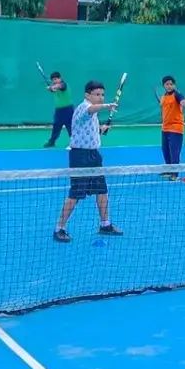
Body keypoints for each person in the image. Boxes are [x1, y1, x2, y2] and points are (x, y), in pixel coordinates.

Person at [54, 80, 124, 241]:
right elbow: (91, 109)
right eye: (97, 94)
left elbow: (87, 129)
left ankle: (105, 224)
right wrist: (106, 105)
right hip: (80, 157)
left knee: (102, 191)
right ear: (87, 95)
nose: (100, 97)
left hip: (94, 156)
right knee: (75, 194)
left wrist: (101, 129)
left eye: (102, 95)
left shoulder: (93, 113)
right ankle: (59, 228)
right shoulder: (83, 107)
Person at [157, 75, 185, 179]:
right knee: (165, 150)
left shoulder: (177, 94)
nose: (169, 86)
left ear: (174, 85)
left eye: (171, 84)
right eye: (167, 84)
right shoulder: (163, 97)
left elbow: (183, 102)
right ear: (164, 86)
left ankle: (175, 174)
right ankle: (168, 170)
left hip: (176, 128)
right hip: (165, 128)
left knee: (174, 150)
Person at [43, 70, 75, 148]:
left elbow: (59, 86)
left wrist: (51, 87)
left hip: (68, 109)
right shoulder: (55, 88)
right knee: (56, 126)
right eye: (53, 79)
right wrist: (51, 89)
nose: (55, 81)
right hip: (59, 110)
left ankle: (74, 142)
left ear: (60, 78)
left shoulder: (64, 85)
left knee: (70, 126)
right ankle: (52, 142)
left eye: (56, 79)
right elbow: (54, 90)